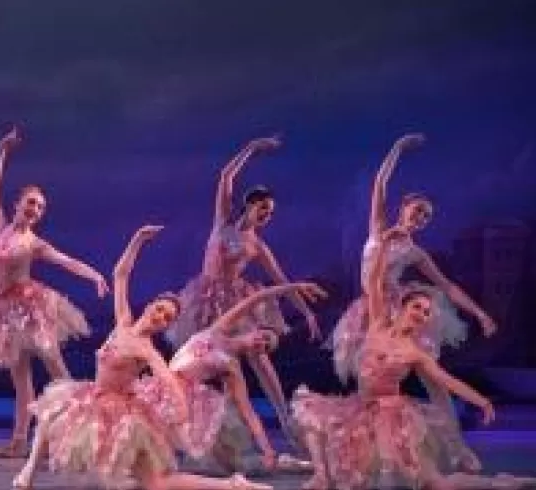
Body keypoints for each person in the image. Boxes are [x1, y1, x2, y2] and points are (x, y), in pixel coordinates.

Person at [12, 225, 271, 490]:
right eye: (160, 310)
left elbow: (167, 378)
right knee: (50, 411)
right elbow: (120, 274)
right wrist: (137, 241)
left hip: (121, 413)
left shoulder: (146, 350)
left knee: (156, 484)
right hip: (92, 396)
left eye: (167, 318)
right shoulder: (123, 322)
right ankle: (27, 473)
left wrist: (182, 411)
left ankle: (233, 485)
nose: (161, 317)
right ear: (149, 307)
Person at [293, 229, 531, 490]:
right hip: (361, 409)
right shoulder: (377, 324)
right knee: (312, 412)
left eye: (427, 312)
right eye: (417, 307)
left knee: (433, 483)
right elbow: (374, 282)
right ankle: (321, 476)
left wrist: (481, 401)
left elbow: (446, 381)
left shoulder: (415, 352)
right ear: (402, 307)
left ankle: (503, 483)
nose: (421, 314)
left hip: (391, 417)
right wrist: (383, 245)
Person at [327, 133, 497, 472]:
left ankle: (457, 447)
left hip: (398, 310)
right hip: (370, 309)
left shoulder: (415, 252)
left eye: (427, 217)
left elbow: (447, 286)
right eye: (418, 211)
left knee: (433, 378)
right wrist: (398, 148)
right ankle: (362, 447)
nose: (421, 218)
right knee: (370, 381)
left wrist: (480, 314)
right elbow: (379, 183)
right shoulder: (378, 229)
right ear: (403, 207)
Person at [0, 127, 108, 458]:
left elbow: (67, 261)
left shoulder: (35, 243)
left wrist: (95, 276)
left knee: (56, 368)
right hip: (2, 311)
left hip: (31, 308)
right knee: (21, 379)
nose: (35, 209)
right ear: (18, 204)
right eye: (31, 203)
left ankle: (85, 430)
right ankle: (18, 441)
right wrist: (2, 149)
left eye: (40, 207)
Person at [166, 136, 318, 443]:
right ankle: (199, 424)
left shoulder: (257, 245)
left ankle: (285, 420)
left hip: (236, 302)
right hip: (204, 298)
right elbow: (226, 176)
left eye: (270, 213)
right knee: (204, 359)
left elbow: (281, 280)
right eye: (263, 208)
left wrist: (307, 312)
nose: (266, 216)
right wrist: (252, 148)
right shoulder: (222, 223)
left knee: (258, 355)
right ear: (249, 204)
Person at [140, 284, 325, 474]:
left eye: (266, 347)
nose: (261, 343)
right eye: (264, 337)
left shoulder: (231, 367)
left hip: (181, 397)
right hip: (163, 383)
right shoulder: (218, 329)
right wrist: (294, 287)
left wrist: (267, 449)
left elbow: (247, 411)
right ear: (254, 330)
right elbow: (256, 298)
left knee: (166, 450)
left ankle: (289, 463)